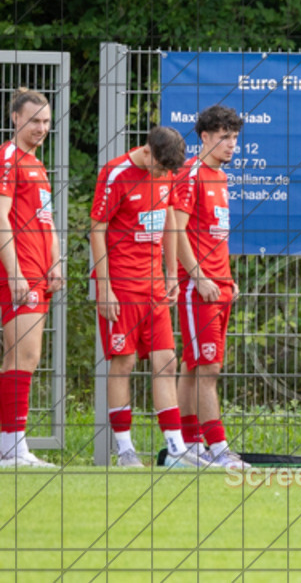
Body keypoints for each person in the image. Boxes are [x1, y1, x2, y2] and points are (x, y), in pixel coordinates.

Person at [90, 126, 207, 468]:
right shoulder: (115, 173)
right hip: (122, 286)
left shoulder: (167, 171)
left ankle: (175, 449)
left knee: (166, 362)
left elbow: (169, 217)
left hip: (154, 285)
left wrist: (172, 272)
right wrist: (105, 286)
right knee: (123, 362)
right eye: (160, 168)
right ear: (147, 152)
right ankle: (124, 449)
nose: (163, 175)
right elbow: (97, 228)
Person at [172, 106, 248, 469]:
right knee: (207, 368)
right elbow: (176, 229)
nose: (231, 144)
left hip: (220, 285)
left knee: (194, 365)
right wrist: (198, 275)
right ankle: (218, 449)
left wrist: (225, 278)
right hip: (198, 287)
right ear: (204, 137)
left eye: (234, 137)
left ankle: (188, 447)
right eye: (223, 137)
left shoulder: (220, 176)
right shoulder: (191, 173)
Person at [0, 89, 62, 467]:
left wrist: (55, 262)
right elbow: (0, 218)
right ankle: (14, 449)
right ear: (15, 119)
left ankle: (10, 446)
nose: (41, 128)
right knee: (24, 356)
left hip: (40, 271)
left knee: (21, 357)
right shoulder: (9, 158)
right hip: (20, 271)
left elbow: (46, 220)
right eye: (34, 120)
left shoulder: (37, 164)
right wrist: (15, 273)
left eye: (46, 121)